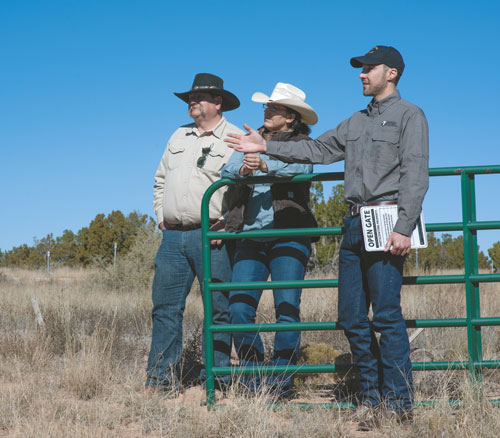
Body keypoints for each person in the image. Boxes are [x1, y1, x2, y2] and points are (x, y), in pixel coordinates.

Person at [225, 46, 429, 426]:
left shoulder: (410, 116)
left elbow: (416, 174)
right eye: (361, 69)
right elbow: (317, 149)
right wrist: (265, 145)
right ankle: (370, 398)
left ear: (393, 73)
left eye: (369, 68)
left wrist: (404, 226)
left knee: (385, 315)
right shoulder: (355, 122)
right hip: (352, 223)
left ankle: (399, 405)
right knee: (351, 316)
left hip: (386, 219)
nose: (362, 74)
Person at [146, 73, 244, 394]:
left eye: (199, 97)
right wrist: (161, 215)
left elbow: (243, 189)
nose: (192, 101)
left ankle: (216, 383)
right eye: (190, 97)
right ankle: (160, 381)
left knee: (218, 310)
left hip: (212, 236)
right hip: (172, 238)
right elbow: (160, 179)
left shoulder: (233, 137)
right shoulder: (178, 135)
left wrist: (228, 223)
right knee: (165, 310)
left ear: (218, 102)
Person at [221, 83, 318, 399]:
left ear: (290, 117)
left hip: (289, 236)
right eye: (268, 106)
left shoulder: (303, 142)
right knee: (239, 308)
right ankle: (250, 379)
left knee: (286, 308)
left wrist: (263, 161)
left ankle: (281, 381)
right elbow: (228, 169)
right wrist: (248, 164)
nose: (267, 111)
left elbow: (303, 166)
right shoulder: (252, 137)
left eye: (274, 108)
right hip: (251, 237)